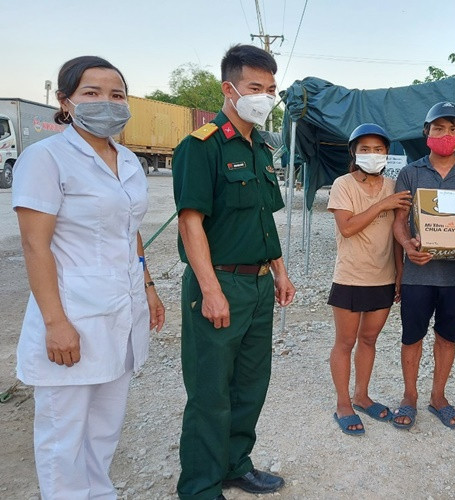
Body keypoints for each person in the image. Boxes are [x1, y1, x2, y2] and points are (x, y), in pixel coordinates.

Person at [12, 55, 165, 499]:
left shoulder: (129, 160)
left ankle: (99, 493)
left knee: (104, 426)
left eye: (116, 95)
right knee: (64, 433)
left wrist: (149, 287)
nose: (107, 103)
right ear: (65, 102)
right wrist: (56, 324)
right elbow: (34, 246)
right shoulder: (46, 158)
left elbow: (129, 230)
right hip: (72, 313)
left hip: (123, 309)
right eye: (91, 93)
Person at [172, 44, 295, 500]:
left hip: (260, 285)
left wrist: (279, 271)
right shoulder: (200, 146)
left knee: (250, 383)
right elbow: (190, 222)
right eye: (255, 88)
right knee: (210, 391)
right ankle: (200, 487)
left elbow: (265, 218)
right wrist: (210, 289)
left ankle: (234, 464)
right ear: (230, 89)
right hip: (220, 283)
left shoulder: (260, 147)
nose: (265, 96)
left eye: (271, 89)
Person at [392, 102, 455, 430]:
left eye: (453, 129)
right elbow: (398, 222)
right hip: (419, 273)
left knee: (448, 338)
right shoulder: (411, 173)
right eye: (438, 128)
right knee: (412, 337)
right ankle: (409, 396)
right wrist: (407, 245)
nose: (445, 135)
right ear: (426, 132)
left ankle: (438, 397)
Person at [327, 123, 412, 435]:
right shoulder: (342, 185)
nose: (372, 154)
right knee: (345, 341)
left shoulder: (394, 186)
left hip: (383, 277)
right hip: (350, 276)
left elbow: (397, 234)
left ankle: (362, 396)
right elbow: (347, 227)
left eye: (378, 149)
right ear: (354, 152)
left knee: (369, 339)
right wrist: (382, 205)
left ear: (387, 153)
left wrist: (400, 275)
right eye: (365, 149)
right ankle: (342, 402)